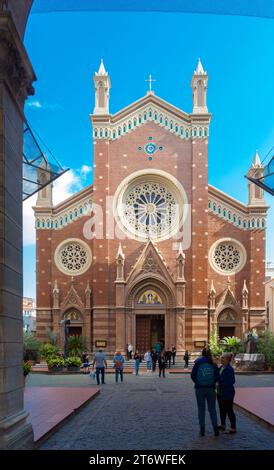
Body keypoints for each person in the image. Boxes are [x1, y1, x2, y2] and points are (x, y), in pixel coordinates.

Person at [191, 348, 219, 437]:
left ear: (202, 354)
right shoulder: (213, 364)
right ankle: (215, 429)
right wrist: (212, 382)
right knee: (212, 409)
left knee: (201, 409)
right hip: (211, 389)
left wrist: (198, 382)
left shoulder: (198, 363)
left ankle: (202, 430)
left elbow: (193, 375)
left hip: (200, 389)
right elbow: (217, 377)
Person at [217, 352, 237, 434]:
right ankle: (223, 425)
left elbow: (232, 381)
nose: (221, 359)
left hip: (228, 392)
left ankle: (233, 427)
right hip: (220, 392)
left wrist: (220, 384)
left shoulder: (229, 369)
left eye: (223, 358)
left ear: (227, 360)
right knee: (222, 409)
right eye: (221, 357)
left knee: (229, 410)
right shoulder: (221, 367)